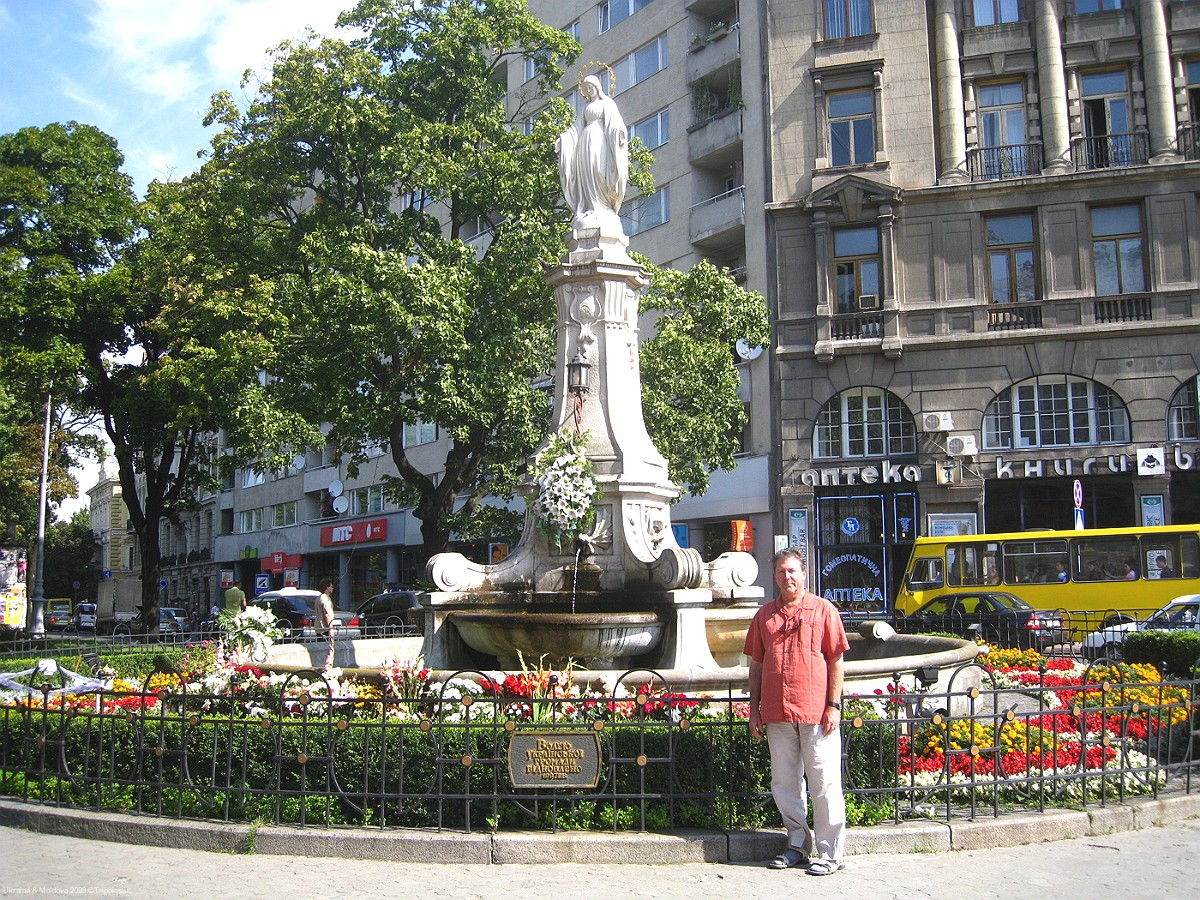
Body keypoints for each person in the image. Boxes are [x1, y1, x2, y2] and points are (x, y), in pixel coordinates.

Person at [744, 549, 850, 876]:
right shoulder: (764, 616)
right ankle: (797, 844)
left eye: (792, 571)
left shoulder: (824, 610)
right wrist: (754, 710)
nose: (787, 577)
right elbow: (756, 666)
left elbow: (836, 660)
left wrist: (833, 705)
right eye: (781, 572)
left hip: (816, 712)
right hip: (777, 712)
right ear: (775, 576)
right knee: (784, 783)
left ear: (803, 573)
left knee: (824, 783)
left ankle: (830, 853)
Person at [557, 74, 628, 231]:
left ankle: (603, 206)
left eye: (590, 87)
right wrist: (564, 139)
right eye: (586, 89)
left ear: (597, 87)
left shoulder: (607, 103)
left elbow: (615, 123)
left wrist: (620, 132)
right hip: (584, 143)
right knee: (587, 174)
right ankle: (589, 206)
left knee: (599, 171)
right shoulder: (584, 108)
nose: (588, 91)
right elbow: (576, 128)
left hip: (600, 141)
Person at [317, 577, 337, 669]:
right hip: (325, 629)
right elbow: (327, 614)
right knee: (329, 651)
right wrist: (331, 628)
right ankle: (327, 669)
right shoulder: (326, 599)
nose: (332, 588)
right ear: (327, 587)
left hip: (319, 629)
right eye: (331, 586)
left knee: (320, 651)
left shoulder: (319, 598)